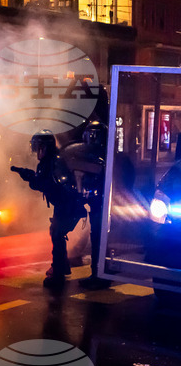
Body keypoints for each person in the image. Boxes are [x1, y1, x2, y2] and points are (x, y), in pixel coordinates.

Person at [12, 130, 87, 288]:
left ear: (44, 147)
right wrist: (28, 175)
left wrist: (29, 176)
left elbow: (46, 184)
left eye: (37, 147)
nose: (36, 151)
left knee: (57, 234)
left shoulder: (55, 163)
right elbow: (42, 182)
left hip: (68, 204)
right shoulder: (52, 161)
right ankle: (62, 266)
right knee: (56, 232)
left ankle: (58, 275)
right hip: (64, 204)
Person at [63, 120, 112, 289]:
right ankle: (100, 273)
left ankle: (99, 276)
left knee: (99, 238)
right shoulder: (99, 155)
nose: (92, 139)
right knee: (98, 237)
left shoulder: (102, 157)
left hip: (102, 204)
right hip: (98, 203)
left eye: (94, 135)